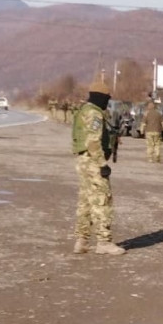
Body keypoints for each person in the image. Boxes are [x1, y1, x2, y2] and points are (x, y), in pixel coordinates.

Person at [72, 78, 126, 255]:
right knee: (102, 200)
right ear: (101, 97)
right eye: (106, 98)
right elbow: (93, 141)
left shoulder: (84, 110)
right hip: (93, 161)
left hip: (84, 161)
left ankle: (82, 240)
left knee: (86, 201)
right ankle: (103, 242)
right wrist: (103, 164)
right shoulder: (94, 113)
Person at [141, 99, 163, 163]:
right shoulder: (159, 114)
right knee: (157, 145)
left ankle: (150, 158)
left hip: (149, 132)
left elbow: (143, 123)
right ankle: (157, 155)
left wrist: (142, 131)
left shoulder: (146, 114)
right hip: (157, 131)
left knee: (150, 145)